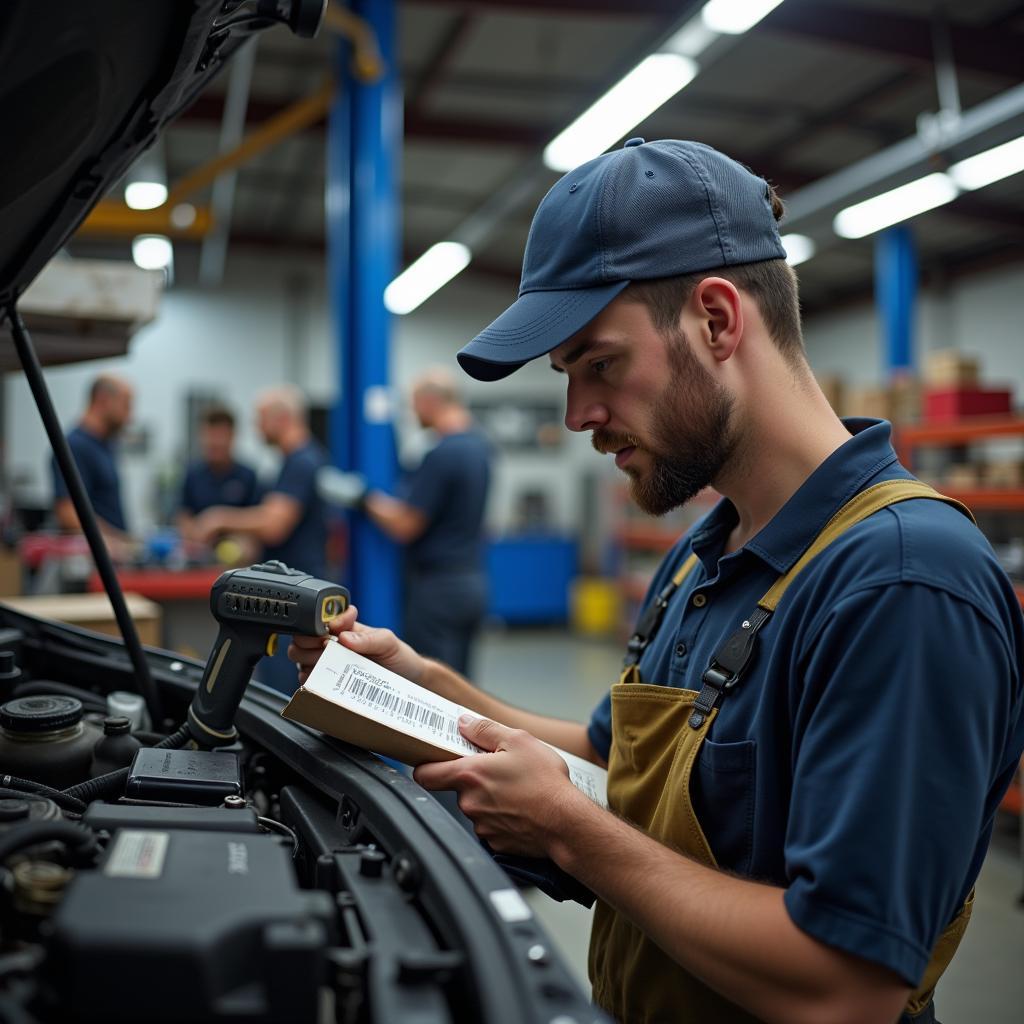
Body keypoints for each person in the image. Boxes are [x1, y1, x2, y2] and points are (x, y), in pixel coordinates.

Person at [291, 139, 1024, 1024]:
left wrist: (572, 833)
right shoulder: (704, 554)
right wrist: (426, 689)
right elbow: (613, 759)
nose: (577, 416)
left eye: (599, 364)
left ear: (717, 320)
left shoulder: (902, 583)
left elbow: (846, 986)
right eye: (566, 377)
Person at [324, 368, 492, 676]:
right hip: (471, 582)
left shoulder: (443, 453)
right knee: (460, 684)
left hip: (437, 591)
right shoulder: (480, 447)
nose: (413, 412)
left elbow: (404, 524)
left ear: (430, 401)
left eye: (414, 404)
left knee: (435, 687)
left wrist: (362, 498)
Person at [195, 385, 327, 693]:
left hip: (297, 598)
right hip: (290, 594)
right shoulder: (289, 462)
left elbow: (274, 524)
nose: (256, 427)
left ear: (281, 419)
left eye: (260, 419)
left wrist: (219, 518)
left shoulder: (302, 461)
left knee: (285, 689)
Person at [51, 374, 134, 546]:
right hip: (92, 560)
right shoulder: (74, 446)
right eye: (126, 405)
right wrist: (112, 542)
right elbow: (68, 511)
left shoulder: (107, 445)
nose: (130, 417)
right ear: (103, 399)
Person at [177, 406, 259, 539]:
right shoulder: (192, 474)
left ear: (232, 436)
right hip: (199, 552)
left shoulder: (248, 476)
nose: (215, 442)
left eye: (221, 435)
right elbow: (184, 516)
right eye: (210, 435)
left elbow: (256, 518)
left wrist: (222, 521)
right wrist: (193, 535)